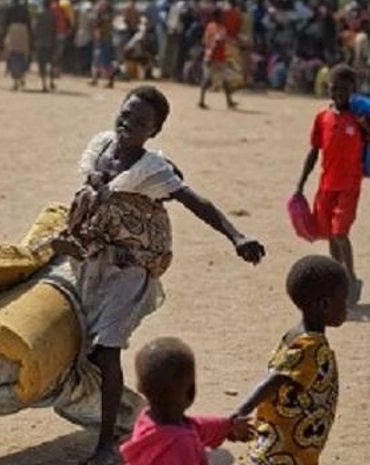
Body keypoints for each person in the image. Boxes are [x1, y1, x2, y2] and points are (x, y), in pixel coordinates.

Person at [51, 86, 265, 465]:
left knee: (108, 347)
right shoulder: (100, 149)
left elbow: (197, 202)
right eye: (126, 113)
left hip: (130, 270)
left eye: (140, 122)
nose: (128, 124)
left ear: (154, 132)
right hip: (93, 263)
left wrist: (237, 236)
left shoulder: (152, 170)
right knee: (90, 349)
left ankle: (105, 446)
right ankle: (129, 416)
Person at [235, 255, 347, 465]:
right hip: (285, 453)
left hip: (283, 446)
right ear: (324, 304)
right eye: (343, 300)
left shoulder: (294, 336)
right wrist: (240, 412)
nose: (346, 308)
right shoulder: (310, 346)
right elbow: (275, 378)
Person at [120, 337, 254, 465]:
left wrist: (227, 426)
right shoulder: (182, 444)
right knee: (224, 457)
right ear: (191, 392)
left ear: (141, 389)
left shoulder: (147, 419)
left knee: (222, 457)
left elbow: (197, 426)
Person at [296, 64, 364, 305]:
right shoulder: (322, 118)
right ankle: (339, 279)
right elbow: (314, 152)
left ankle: (352, 278)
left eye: (343, 90)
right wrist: (301, 183)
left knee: (340, 233)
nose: (337, 94)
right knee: (330, 236)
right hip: (326, 185)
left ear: (352, 90)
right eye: (333, 89)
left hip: (349, 185)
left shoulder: (359, 120)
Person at [198, 8, 237, 109]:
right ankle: (229, 101)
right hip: (217, 57)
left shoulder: (209, 26)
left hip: (211, 56)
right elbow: (217, 42)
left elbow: (205, 41)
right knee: (223, 79)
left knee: (207, 79)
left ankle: (201, 100)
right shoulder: (220, 28)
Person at [3, 0, 31, 91]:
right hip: (23, 31)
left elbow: (4, 23)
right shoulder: (24, 9)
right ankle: (22, 77)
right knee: (22, 55)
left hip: (12, 31)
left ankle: (15, 82)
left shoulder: (9, 8)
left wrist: (3, 36)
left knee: (13, 55)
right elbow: (29, 23)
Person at [91, 0, 116, 87]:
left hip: (103, 38)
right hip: (106, 37)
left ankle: (107, 79)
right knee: (100, 59)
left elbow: (98, 24)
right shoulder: (108, 9)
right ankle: (95, 79)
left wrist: (97, 35)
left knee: (103, 59)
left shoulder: (101, 8)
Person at [34, 0, 57, 92]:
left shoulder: (39, 15)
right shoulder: (52, 16)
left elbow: (35, 29)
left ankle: (44, 85)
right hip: (50, 42)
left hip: (40, 42)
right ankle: (51, 81)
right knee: (51, 63)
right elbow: (54, 30)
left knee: (42, 64)